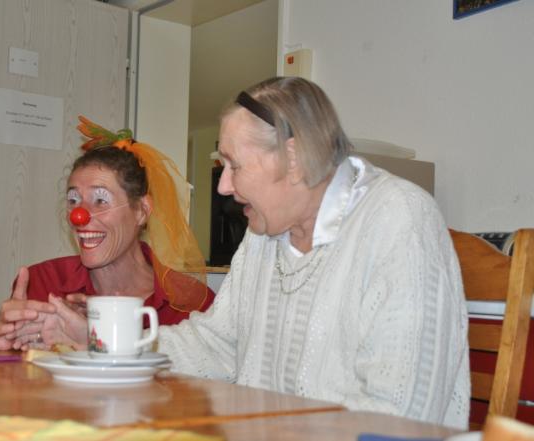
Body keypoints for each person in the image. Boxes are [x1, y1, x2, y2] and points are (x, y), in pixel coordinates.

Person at [153, 77, 470, 429]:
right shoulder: (262, 234)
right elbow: (218, 343)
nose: (224, 186)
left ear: (292, 158)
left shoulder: (399, 218)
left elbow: (402, 412)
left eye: (235, 166)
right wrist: (118, 346)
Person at [0, 117, 214, 352]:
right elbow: (4, 369)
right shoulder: (42, 283)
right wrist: (5, 347)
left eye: (101, 200)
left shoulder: (193, 303)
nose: (79, 216)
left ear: (142, 211)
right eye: (73, 200)